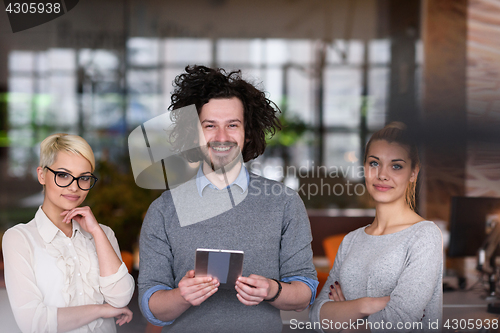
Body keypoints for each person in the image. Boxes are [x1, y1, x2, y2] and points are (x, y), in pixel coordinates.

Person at [138, 65, 318, 333]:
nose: (222, 138)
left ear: (247, 133)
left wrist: (272, 290)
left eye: (232, 125)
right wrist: (181, 296)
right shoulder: (164, 210)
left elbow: (305, 291)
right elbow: (151, 307)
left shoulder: (284, 203)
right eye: (210, 126)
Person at [309, 122, 443, 332]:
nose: (382, 174)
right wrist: (368, 304)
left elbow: (398, 322)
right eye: (374, 163)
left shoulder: (425, 235)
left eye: (396, 166)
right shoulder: (351, 240)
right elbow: (317, 317)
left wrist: (345, 317)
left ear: (413, 173)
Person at [2, 133, 135, 333]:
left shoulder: (104, 234)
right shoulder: (19, 239)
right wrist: (100, 310)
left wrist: (97, 232)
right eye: (63, 175)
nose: (74, 187)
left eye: (83, 178)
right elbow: (33, 322)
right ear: (41, 175)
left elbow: (121, 298)